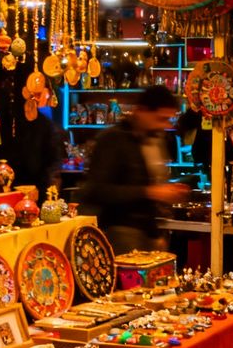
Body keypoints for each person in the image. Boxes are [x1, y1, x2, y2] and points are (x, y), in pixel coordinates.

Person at [79, 86, 189, 254]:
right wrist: (151, 192)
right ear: (142, 111)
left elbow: (153, 182)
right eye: (161, 119)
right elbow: (97, 190)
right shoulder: (112, 139)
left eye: (168, 120)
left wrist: (156, 233)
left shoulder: (155, 139)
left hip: (148, 232)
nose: (166, 125)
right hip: (120, 232)